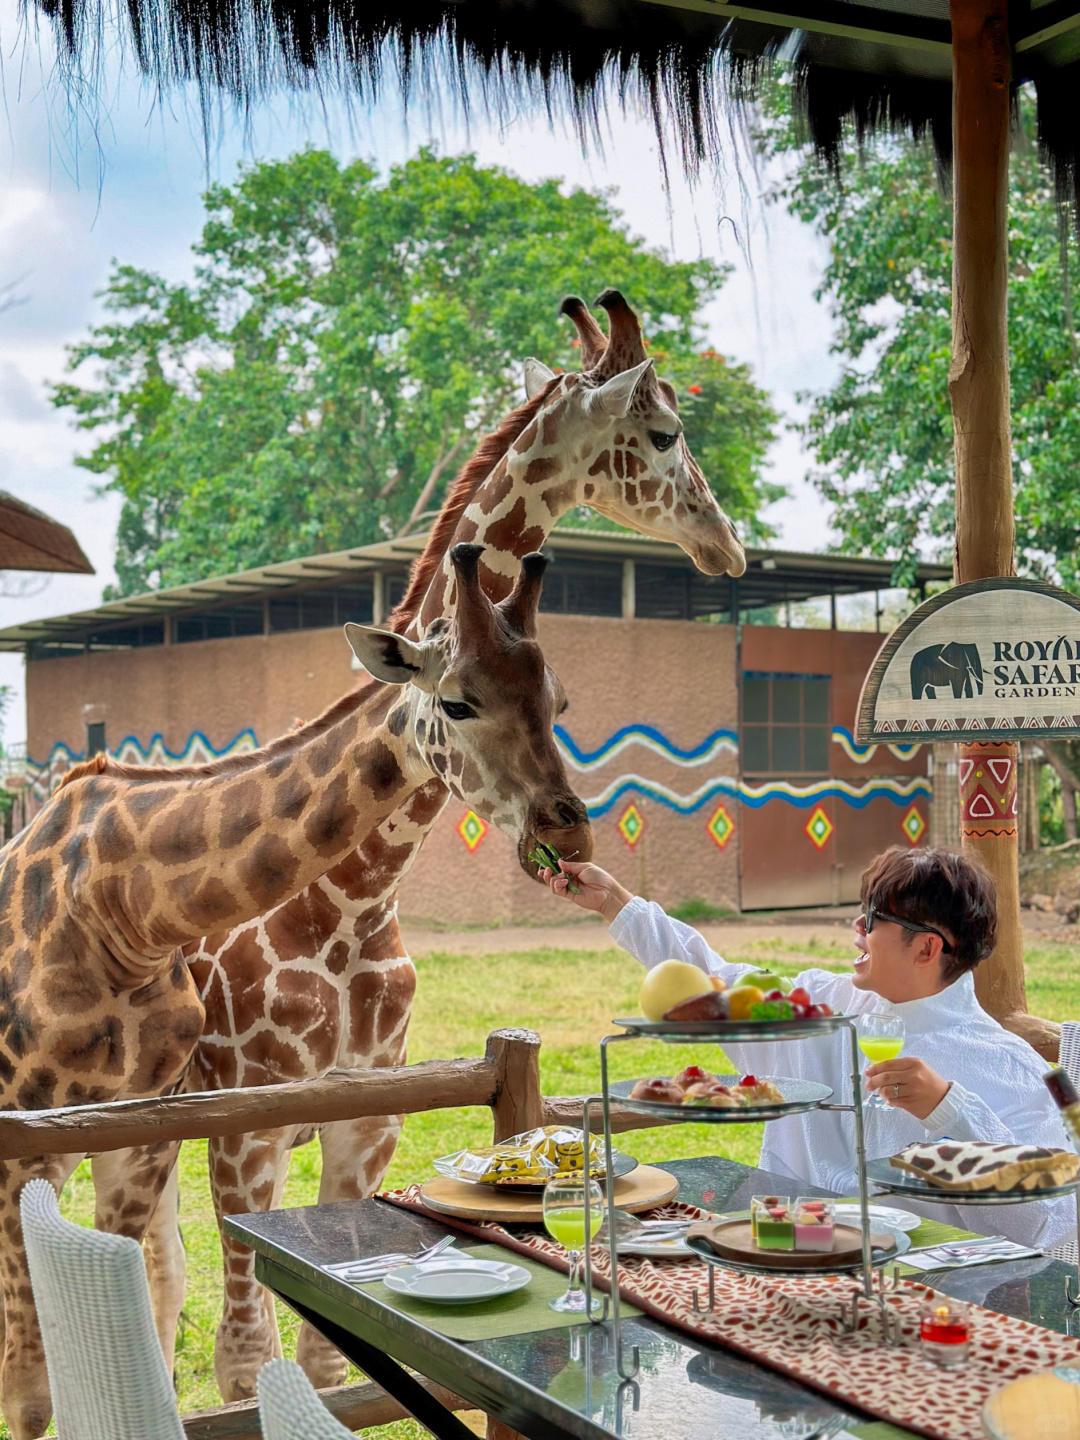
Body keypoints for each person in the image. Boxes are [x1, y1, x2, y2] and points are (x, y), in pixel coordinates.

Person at [539, 845, 1074, 1247]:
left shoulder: (1011, 1069)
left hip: (925, 1294)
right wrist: (616, 903)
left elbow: (1047, 1227)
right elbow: (713, 981)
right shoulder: (819, 1007)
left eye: (873, 919)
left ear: (927, 947)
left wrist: (950, 1110)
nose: (855, 926)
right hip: (781, 1257)